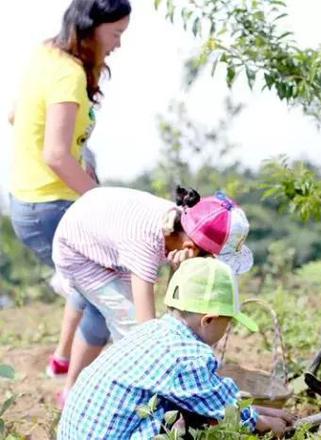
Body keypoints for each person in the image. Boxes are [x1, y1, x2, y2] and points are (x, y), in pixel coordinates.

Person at [8, 0, 131, 378]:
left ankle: (63, 359)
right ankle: (74, 393)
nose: (118, 45)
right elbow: (57, 156)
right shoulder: (68, 75)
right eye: (115, 34)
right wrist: (100, 200)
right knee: (107, 297)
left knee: (88, 280)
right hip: (48, 207)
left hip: (32, 199)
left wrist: (81, 155)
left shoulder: (46, 53)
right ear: (91, 29)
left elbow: (15, 116)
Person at [52, 186, 253, 407]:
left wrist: (181, 269)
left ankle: (70, 392)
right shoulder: (144, 244)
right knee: (131, 327)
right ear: (189, 247)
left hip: (103, 229)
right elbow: (147, 328)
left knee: (103, 317)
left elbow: (178, 305)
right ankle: (140, 403)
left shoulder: (183, 224)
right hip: (78, 250)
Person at [57, 257, 295, 439]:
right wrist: (269, 424)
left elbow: (220, 398)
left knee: (186, 407)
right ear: (209, 320)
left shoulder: (153, 331)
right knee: (181, 419)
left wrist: (267, 411)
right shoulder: (189, 356)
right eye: (228, 321)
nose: (227, 329)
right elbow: (227, 410)